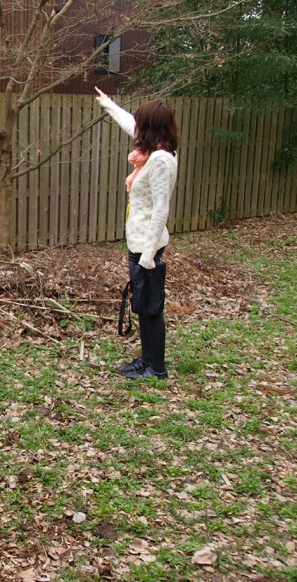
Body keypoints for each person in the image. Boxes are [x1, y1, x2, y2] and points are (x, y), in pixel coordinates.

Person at [96, 86, 180, 380]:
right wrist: (108, 104)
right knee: (143, 304)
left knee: (151, 307)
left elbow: (161, 210)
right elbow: (129, 123)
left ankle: (156, 368)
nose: (137, 127)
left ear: (151, 127)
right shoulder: (154, 151)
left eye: (142, 123)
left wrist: (147, 255)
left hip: (148, 245)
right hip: (141, 242)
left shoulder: (159, 161)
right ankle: (146, 360)